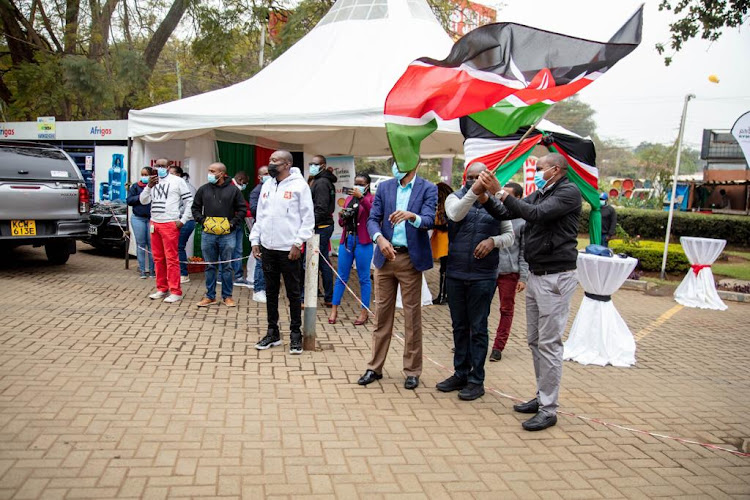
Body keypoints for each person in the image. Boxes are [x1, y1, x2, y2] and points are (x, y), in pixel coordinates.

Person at [478, 153, 582, 431]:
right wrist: (487, 197)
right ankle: (541, 396)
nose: (537, 172)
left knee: (549, 344)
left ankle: (549, 409)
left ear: (556, 170)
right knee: (535, 340)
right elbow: (510, 212)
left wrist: (499, 190)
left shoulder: (568, 192)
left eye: (540, 168)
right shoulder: (541, 192)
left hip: (556, 277)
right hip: (538, 274)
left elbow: (536, 214)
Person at [435, 163, 513, 401]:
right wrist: (475, 191)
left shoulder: (497, 205)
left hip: (483, 275)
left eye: (477, 177)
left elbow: (510, 236)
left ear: (488, 177)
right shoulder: (454, 198)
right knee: (459, 326)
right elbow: (455, 214)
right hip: (457, 272)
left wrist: (493, 241)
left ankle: (476, 380)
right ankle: (460, 372)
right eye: (469, 177)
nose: (472, 181)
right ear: (463, 178)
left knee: (478, 328)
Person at [357, 162, 437, 390]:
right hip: (385, 257)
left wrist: (413, 216)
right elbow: (373, 219)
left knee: (412, 317)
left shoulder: (427, 188)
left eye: (401, 162)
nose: (396, 166)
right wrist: (379, 239)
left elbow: (430, 219)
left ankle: (412, 371)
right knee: (381, 315)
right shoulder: (385, 187)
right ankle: (374, 367)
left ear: (415, 164)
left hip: (410, 259)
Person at [250, 150, 314, 355]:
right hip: (268, 248)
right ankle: (273, 332)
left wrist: (298, 243)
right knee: (271, 291)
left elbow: (308, 218)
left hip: (289, 249)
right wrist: (255, 239)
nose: (271, 163)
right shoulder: (267, 185)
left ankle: (296, 333)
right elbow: (261, 215)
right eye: (270, 160)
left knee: (293, 293)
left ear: (287, 164)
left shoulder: (299, 186)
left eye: (275, 161)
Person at [191, 162, 248, 308]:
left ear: (222, 174)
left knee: (227, 266)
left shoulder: (234, 190)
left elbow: (242, 209)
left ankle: (227, 296)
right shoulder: (203, 189)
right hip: (208, 233)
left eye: (212, 171)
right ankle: (210, 296)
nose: (209, 173)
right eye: (208, 170)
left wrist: (232, 223)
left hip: (227, 234)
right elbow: (195, 208)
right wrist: (203, 221)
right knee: (210, 265)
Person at [140, 158, 194, 303]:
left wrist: (183, 220)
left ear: (169, 167)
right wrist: (149, 186)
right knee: (158, 258)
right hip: (155, 223)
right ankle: (162, 288)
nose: (160, 168)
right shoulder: (152, 182)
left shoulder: (177, 181)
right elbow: (143, 200)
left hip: (170, 223)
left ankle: (176, 291)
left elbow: (189, 201)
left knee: (171, 259)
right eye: (157, 166)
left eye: (163, 166)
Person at [328, 174, 375, 326]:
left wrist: (361, 197)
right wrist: (342, 217)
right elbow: (342, 222)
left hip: (363, 241)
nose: (357, 185)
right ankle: (334, 309)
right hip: (347, 239)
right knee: (341, 276)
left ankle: (364, 311)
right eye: (356, 183)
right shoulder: (348, 199)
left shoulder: (371, 198)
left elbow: (372, 212)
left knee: (364, 278)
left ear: (367, 185)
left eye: (361, 183)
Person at [490, 182, 529, 362]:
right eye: (501, 194)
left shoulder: (522, 222)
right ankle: (472, 340)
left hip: (509, 273)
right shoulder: (492, 212)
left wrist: (523, 276)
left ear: (518, 198)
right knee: (478, 307)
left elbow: (523, 251)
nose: (503, 198)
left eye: (508, 195)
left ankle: (498, 347)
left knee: (506, 309)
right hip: (488, 269)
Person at [307, 155, 337, 306]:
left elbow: (321, 208)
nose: (311, 166)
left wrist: (310, 225)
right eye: (310, 163)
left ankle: (329, 296)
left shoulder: (322, 183)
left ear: (323, 166)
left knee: (323, 261)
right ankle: (322, 293)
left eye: (315, 164)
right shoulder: (320, 181)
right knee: (319, 260)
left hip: (321, 227)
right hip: (320, 225)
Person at [168, 165, 197, 283]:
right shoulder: (172, 186)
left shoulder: (187, 187)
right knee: (175, 247)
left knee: (179, 247)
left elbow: (188, 207)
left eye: (171, 173)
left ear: (178, 175)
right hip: (175, 220)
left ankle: (183, 274)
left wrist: (173, 212)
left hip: (185, 221)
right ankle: (176, 273)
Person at [127, 167, 155, 279]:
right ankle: (142, 270)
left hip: (151, 219)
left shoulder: (155, 187)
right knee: (141, 245)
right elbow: (129, 200)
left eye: (146, 174)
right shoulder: (135, 186)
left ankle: (153, 271)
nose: (143, 176)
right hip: (138, 218)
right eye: (142, 174)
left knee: (152, 245)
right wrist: (141, 197)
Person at [249, 166, 270, 303]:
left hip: (272, 230)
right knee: (260, 261)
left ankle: (267, 289)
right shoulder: (257, 191)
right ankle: (258, 289)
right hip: (262, 228)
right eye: (265, 174)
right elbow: (254, 209)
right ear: (259, 177)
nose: (268, 176)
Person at [229, 171, 252, 288]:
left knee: (232, 250)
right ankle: (237, 276)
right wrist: (250, 212)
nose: (245, 186)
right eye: (245, 183)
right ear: (241, 180)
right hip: (233, 222)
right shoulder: (232, 188)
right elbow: (240, 207)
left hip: (233, 222)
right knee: (236, 250)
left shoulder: (232, 187)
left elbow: (244, 205)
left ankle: (229, 276)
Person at [431, 182, 453, 305]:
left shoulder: (444, 207)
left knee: (444, 270)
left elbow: (442, 224)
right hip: (447, 241)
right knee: (446, 269)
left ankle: (443, 296)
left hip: (445, 242)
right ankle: (445, 295)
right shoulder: (451, 203)